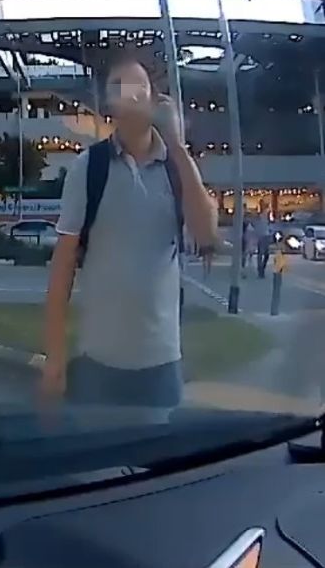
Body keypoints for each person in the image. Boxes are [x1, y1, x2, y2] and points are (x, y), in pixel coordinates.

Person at [40, 55, 219, 408]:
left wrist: (178, 146)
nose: (130, 94)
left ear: (155, 99)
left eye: (139, 86)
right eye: (118, 87)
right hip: (98, 363)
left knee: (163, 461)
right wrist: (56, 358)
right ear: (109, 103)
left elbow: (207, 234)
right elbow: (62, 269)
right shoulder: (89, 167)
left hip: (162, 363)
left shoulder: (176, 167)